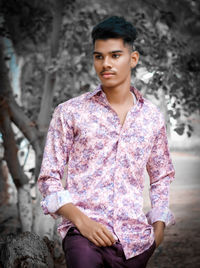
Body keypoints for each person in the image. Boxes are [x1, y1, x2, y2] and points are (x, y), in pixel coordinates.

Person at [38, 16, 175, 268]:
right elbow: (49, 178)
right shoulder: (70, 112)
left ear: (133, 59)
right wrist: (81, 221)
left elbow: (160, 175)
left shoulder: (152, 118)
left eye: (115, 55)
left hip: (135, 243)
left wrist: (159, 226)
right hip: (83, 238)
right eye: (98, 56)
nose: (105, 64)